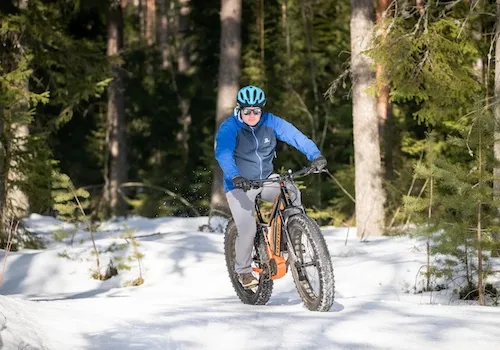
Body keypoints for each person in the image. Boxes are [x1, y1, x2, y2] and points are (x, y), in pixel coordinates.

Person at [215, 85, 327, 288]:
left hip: (265, 179)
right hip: (239, 184)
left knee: (291, 191)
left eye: (256, 111)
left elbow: (297, 137)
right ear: (239, 109)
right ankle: (243, 271)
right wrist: (235, 176)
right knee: (247, 229)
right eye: (247, 111)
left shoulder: (271, 121)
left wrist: (315, 155)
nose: (251, 115)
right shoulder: (229, 128)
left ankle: (296, 234)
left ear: (262, 110)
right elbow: (223, 154)